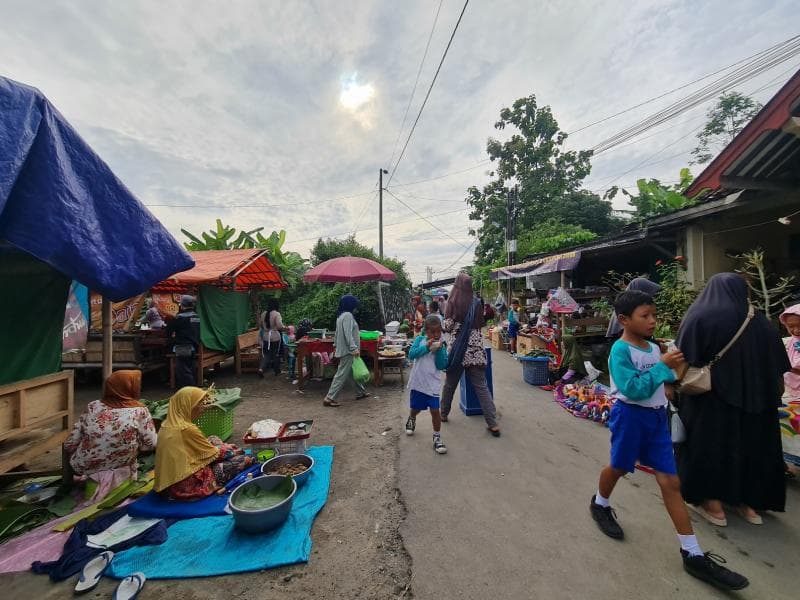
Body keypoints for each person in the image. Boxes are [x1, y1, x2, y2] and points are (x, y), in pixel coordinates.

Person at [590, 290, 748, 591]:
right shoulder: (620, 351)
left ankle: (692, 553)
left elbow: (667, 379)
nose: (652, 321)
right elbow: (632, 389)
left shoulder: (655, 347)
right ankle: (600, 503)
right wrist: (663, 366)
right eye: (645, 316)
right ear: (624, 320)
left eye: (653, 315)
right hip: (629, 417)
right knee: (619, 467)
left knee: (671, 483)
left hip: (656, 419)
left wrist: (673, 371)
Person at [675, 273, 789, 526]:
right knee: (750, 449)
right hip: (758, 403)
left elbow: (684, 357)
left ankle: (713, 506)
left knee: (709, 447)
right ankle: (747, 505)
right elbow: (780, 366)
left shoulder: (700, 316)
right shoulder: (761, 322)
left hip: (711, 400)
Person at [154, 387, 255, 499]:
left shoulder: (166, 425)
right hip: (187, 485)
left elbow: (199, 448)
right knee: (243, 459)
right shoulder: (186, 429)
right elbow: (215, 455)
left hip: (169, 482)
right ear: (188, 406)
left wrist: (224, 447)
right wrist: (231, 450)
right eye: (199, 404)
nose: (203, 408)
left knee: (212, 438)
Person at [64, 370, 157, 480]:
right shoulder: (140, 411)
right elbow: (151, 444)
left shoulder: (94, 406)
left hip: (83, 466)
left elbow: (70, 443)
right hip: (119, 466)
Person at [440, 272, 500, 436]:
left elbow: (448, 325)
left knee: (450, 384)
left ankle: (443, 414)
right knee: (481, 387)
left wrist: (443, 323)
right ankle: (493, 423)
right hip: (475, 350)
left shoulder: (452, 301)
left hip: (458, 351)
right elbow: (481, 324)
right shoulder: (476, 302)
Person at [405, 315, 449, 454]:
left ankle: (437, 437)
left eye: (438, 332)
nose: (436, 335)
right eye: (433, 332)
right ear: (426, 331)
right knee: (415, 408)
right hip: (419, 382)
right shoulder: (419, 340)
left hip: (433, 384)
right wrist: (427, 347)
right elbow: (411, 354)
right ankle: (412, 418)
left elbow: (442, 365)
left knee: (435, 411)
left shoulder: (442, 345)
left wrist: (440, 350)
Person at [323, 294, 370, 407]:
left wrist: (335, 345)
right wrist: (354, 348)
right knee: (341, 374)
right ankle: (329, 398)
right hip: (348, 351)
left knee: (350, 373)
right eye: (354, 305)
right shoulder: (348, 316)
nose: (355, 308)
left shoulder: (341, 316)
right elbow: (347, 334)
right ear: (350, 305)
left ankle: (361, 392)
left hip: (345, 350)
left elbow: (338, 333)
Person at [166, 295, 201, 388]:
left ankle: (189, 390)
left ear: (182, 305)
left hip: (182, 347)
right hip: (194, 347)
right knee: (191, 368)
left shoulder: (179, 318)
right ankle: (194, 389)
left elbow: (168, 331)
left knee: (183, 370)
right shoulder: (197, 317)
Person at [258, 298, 286, 377]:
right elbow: (279, 326)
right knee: (275, 354)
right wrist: (285, 327)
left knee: (266, 354)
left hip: (266, 337)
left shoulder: (263, 314)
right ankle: (277, 370)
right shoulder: (276, 314)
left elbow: (261, 325)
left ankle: (261, 369)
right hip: (275, 337)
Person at [779, 304, 800, 399]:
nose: (796, 330)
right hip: (789, 389)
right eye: (791, 326)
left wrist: (786, 366)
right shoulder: (789, 342)